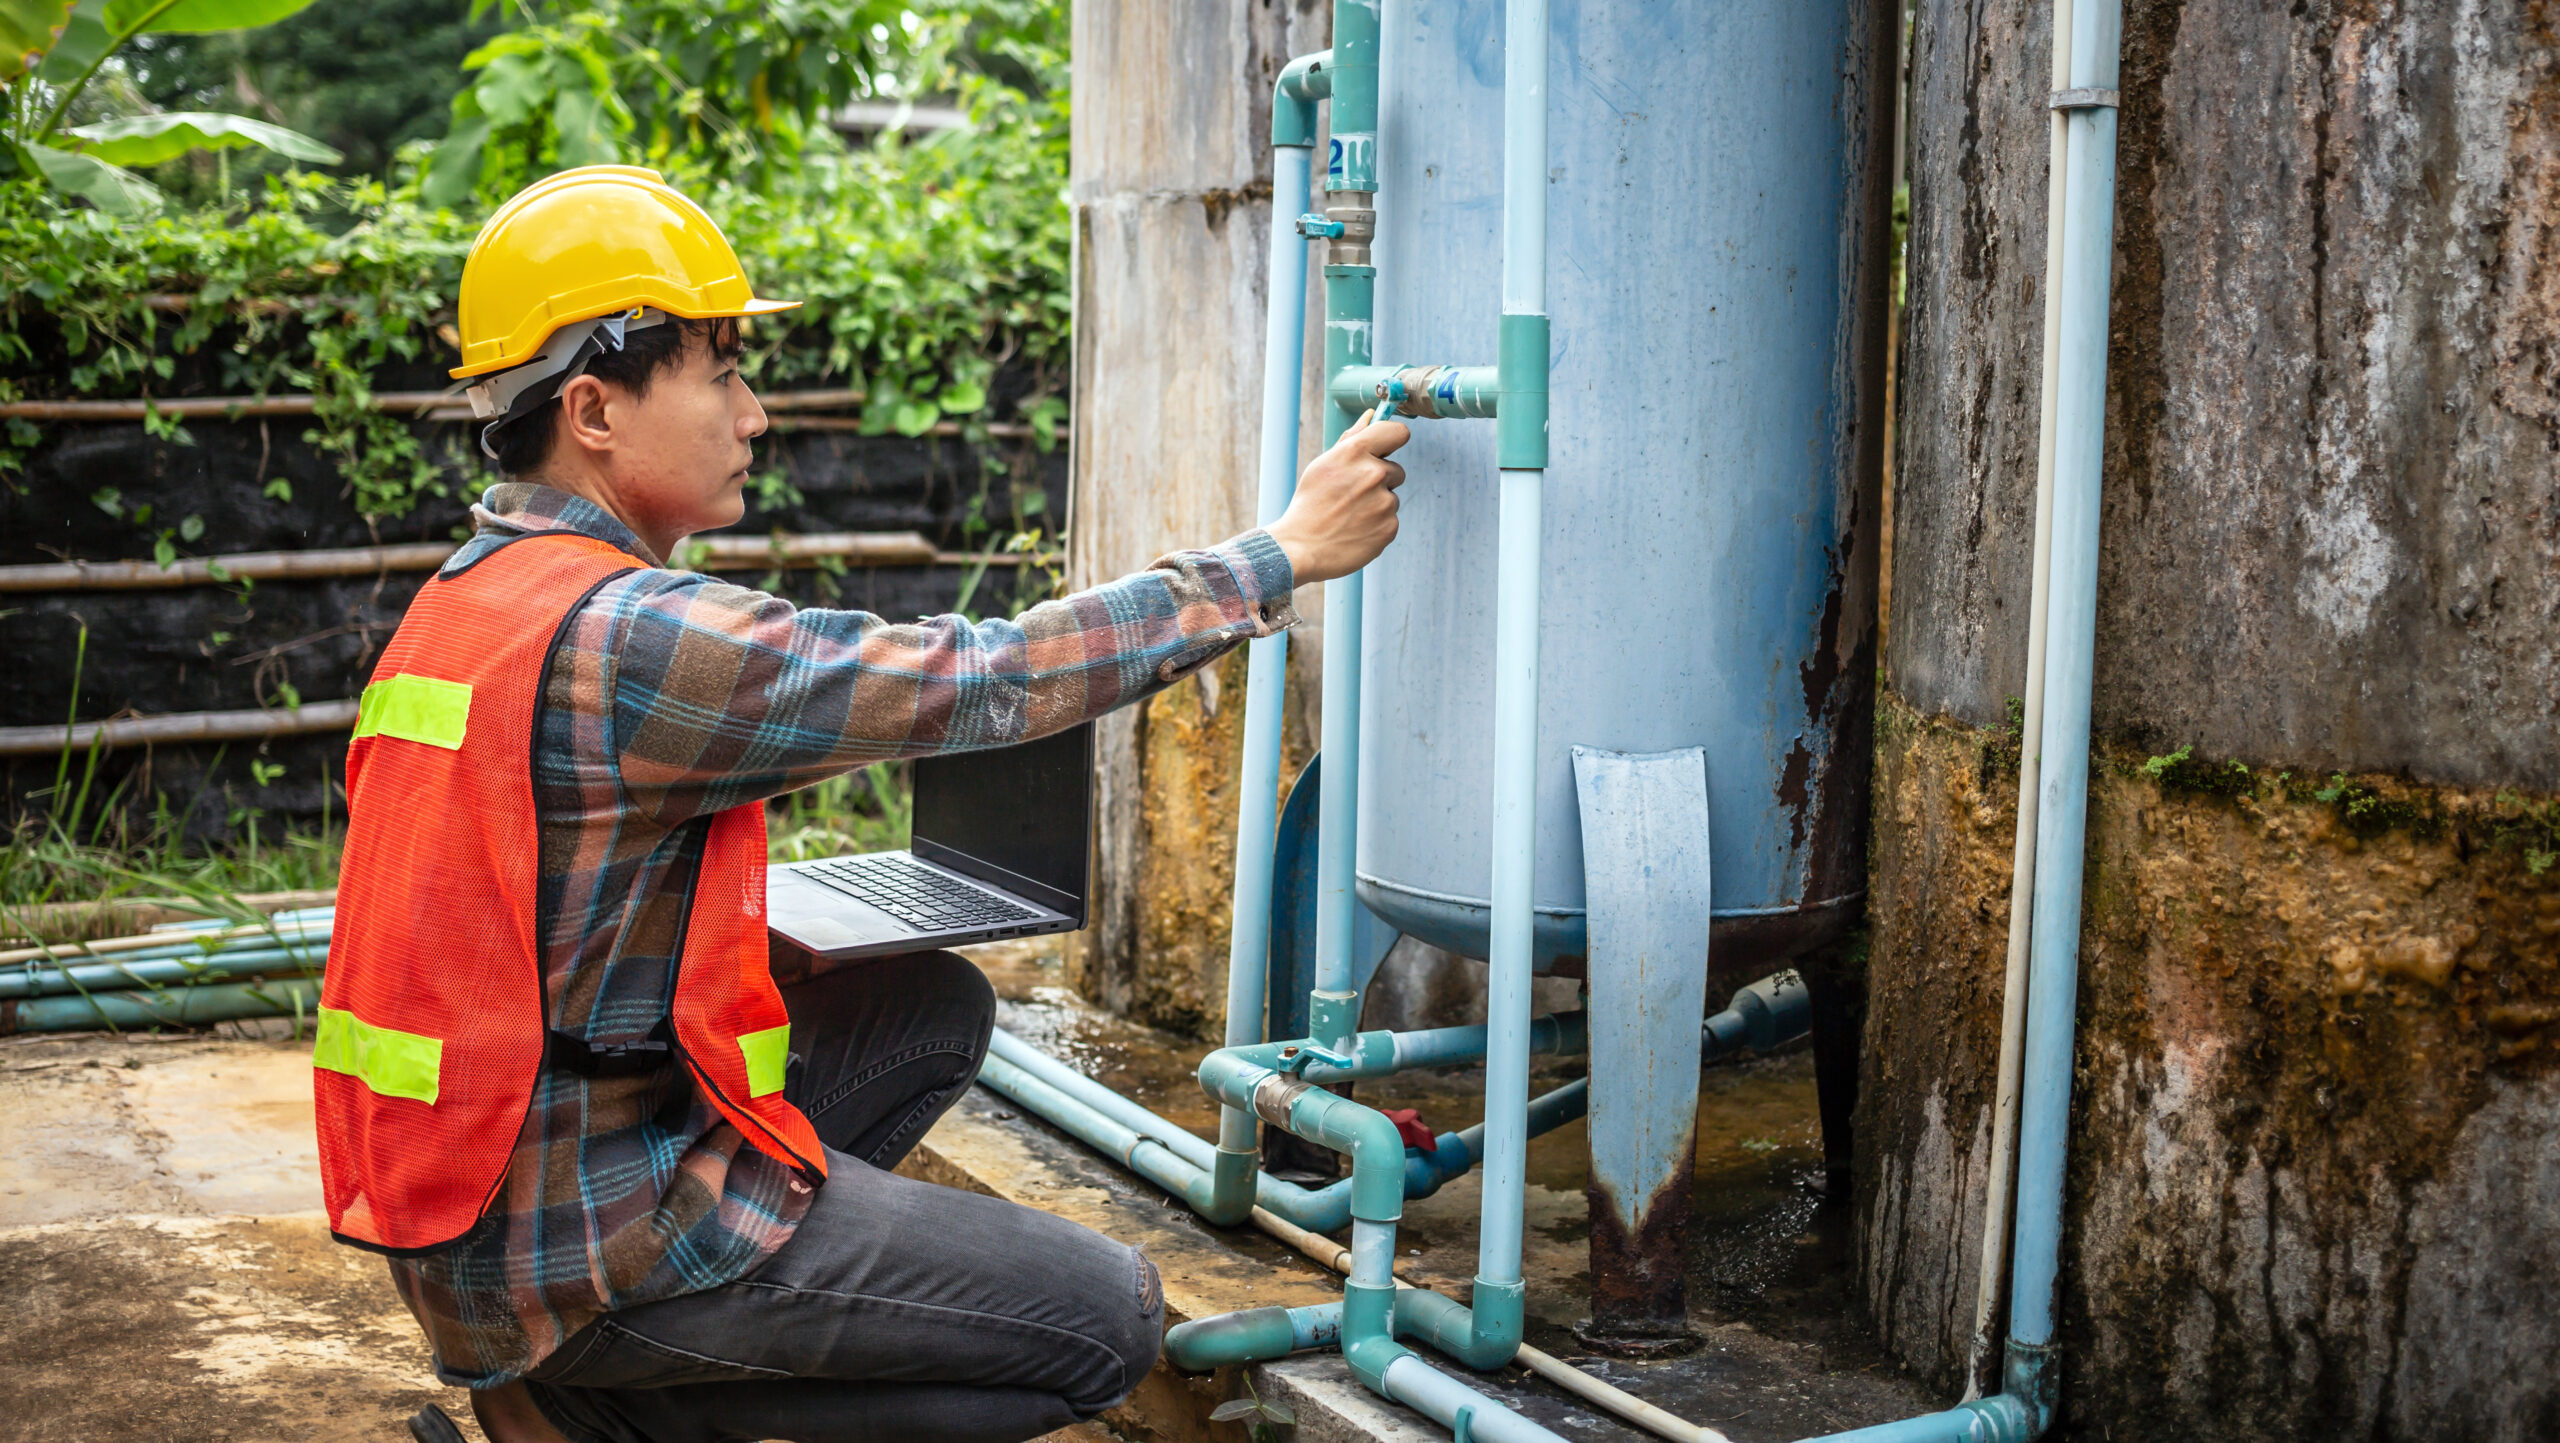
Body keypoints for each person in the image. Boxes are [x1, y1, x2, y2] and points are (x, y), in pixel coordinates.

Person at [313, 166, 1410, 1443]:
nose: (756, 414)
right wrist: (1276, 557)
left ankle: (587, 1392)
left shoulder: (467, 599)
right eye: (721, 374)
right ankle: (617, 1421)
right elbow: (981, 677)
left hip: (476, 1207)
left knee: (930, 1009)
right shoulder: (626, 637)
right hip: (581, 1244)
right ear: (593, 407)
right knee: (1107, 1319)